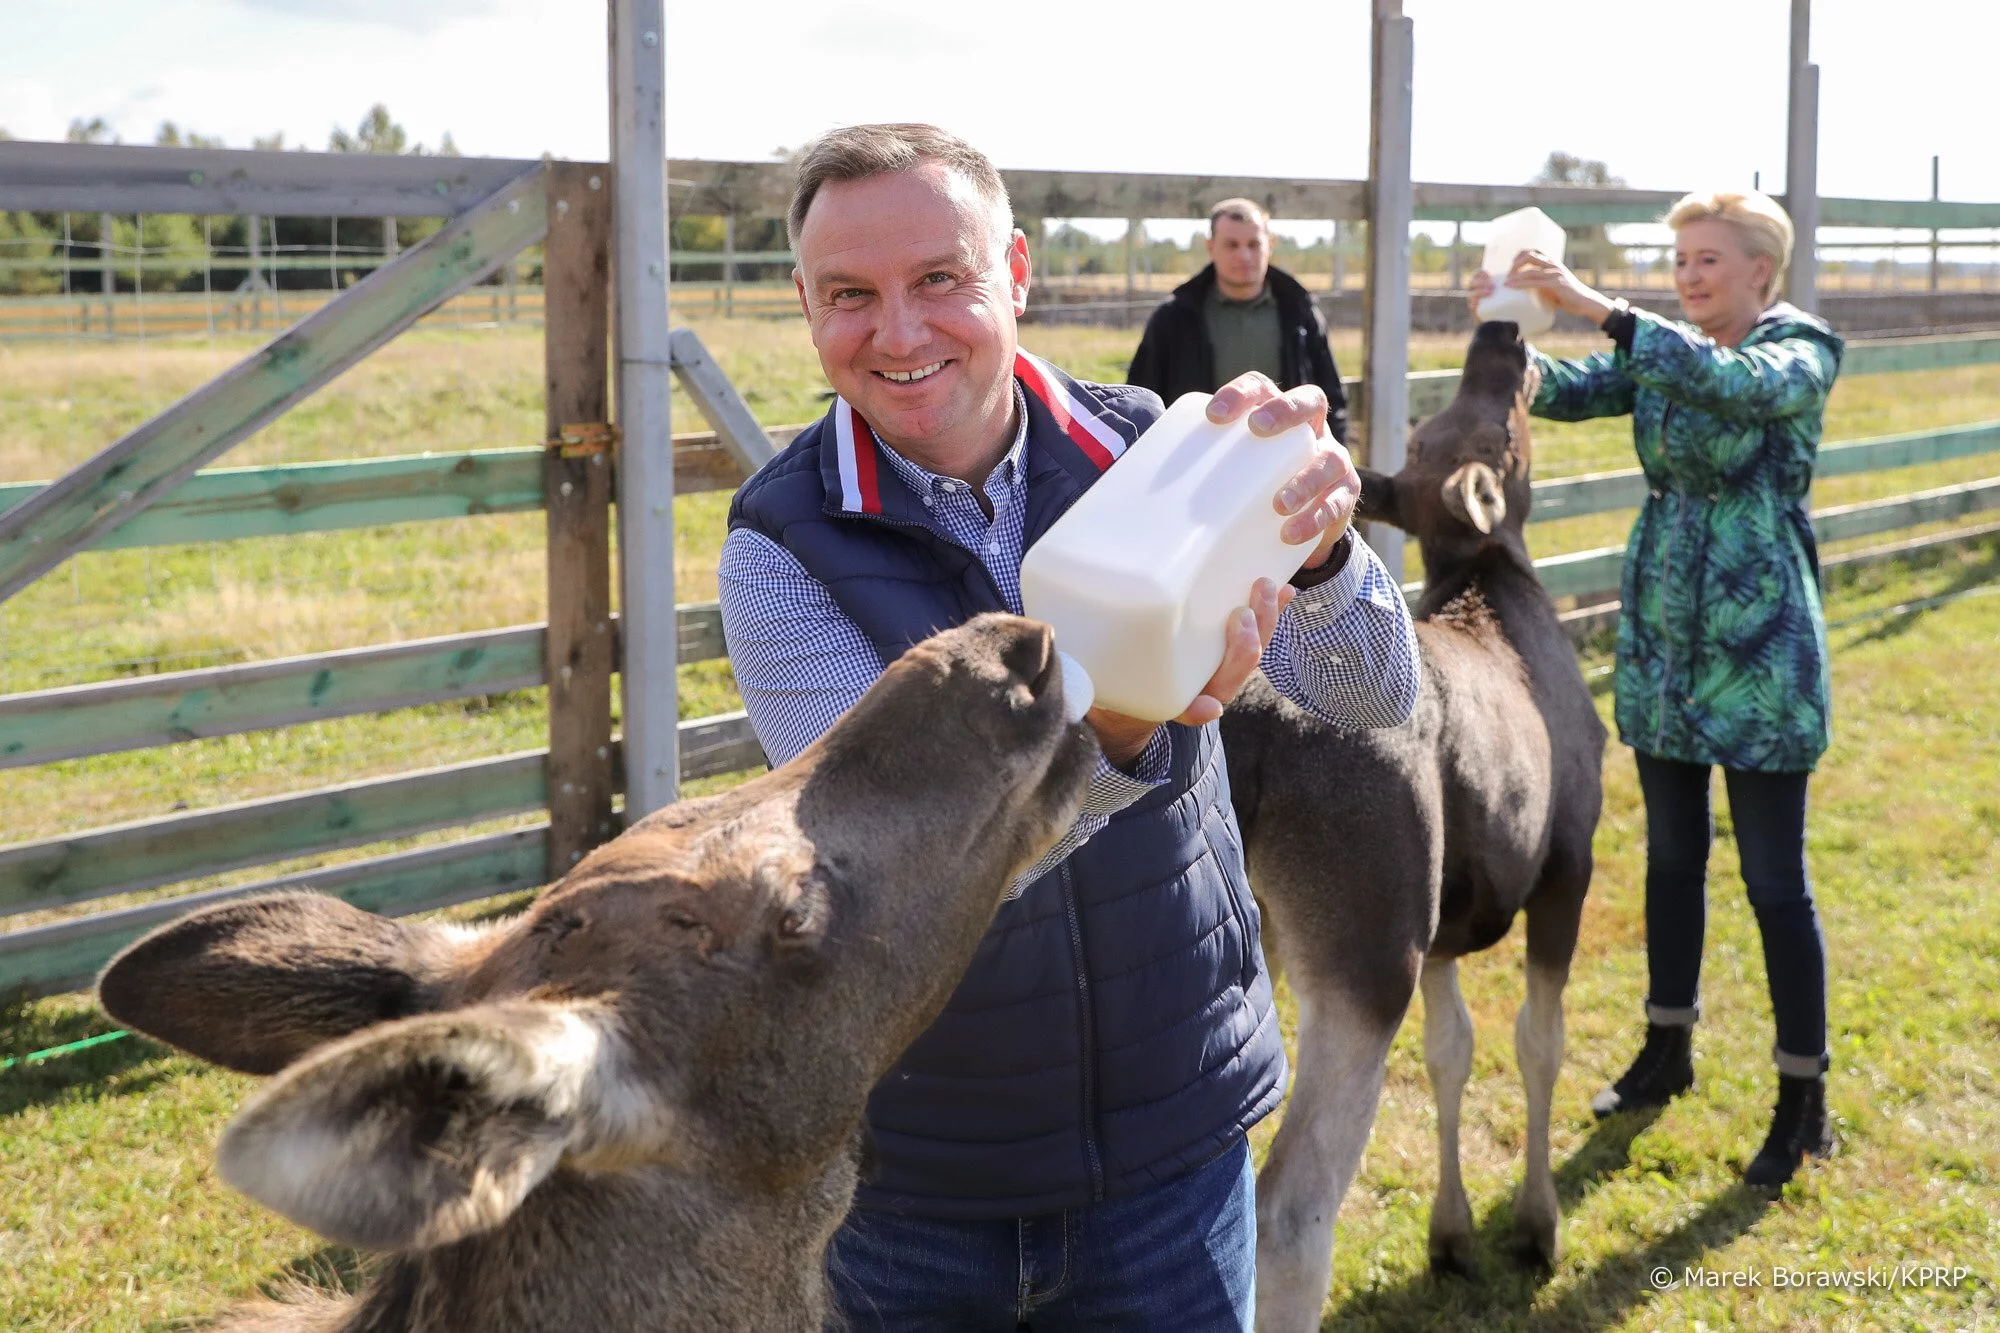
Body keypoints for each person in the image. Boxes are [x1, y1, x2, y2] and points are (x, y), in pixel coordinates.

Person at [718, 123, 1419, 1330]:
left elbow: (1373, 700)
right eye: (849, 295)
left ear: (1017, 274)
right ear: (803, 304)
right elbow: (893, 875)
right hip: (916, 1177)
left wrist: (1320, 551)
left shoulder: (1161, 451)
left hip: (1172, 1144)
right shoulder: (782, 550)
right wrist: (1125, 739)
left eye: (940, 279)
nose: (897, 332)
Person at [1470, 189, 1842, 1190]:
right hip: (1665, 644)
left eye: (1706, 260)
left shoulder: (1799, 348)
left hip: (1758, 648)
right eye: (1678, 258)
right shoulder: (1665, 347)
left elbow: (1730, 383)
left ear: (1759, 270)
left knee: (1773, 882)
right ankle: (1664, 1048)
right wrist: (1505, 326)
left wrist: (1599, 303)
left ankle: (1800, 1095)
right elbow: (1567, 387)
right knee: (1669, 860)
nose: (1686, 275)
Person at [1126, 198, 1350, 442]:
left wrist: (1335, 452)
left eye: (1254, 244)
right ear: (1211, 248)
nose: (1244, 255)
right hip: (1196, 457)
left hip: (1284, 458)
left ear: (1270, 245)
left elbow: (1331, 397)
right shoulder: (1174, 317)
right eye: (1231, 245)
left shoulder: (1300, 311)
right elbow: (1142, 399)